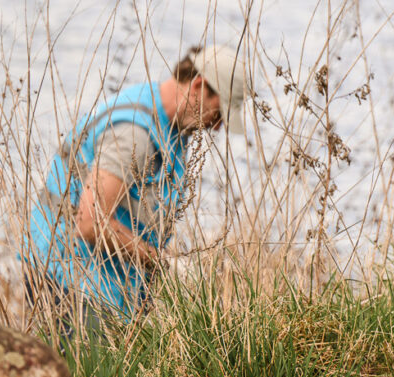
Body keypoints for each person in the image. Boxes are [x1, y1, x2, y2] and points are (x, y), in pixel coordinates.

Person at [25, 43, 253, 331]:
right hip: (69, 280)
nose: (218, 127)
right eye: (218, 113)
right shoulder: (135, 134)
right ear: (198, 85)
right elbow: (90, 222)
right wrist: (162, 264)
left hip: (103, 283)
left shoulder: (170, 122)